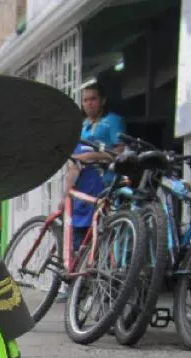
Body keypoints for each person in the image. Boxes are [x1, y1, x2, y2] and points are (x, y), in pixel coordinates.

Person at [66, 83, 126, 246]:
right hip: (82, 192)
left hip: (104, 188)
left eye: (93, 99)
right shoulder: (82, 127)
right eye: (85, 100)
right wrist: (66, 193)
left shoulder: (113, 121)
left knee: (102, 241)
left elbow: (120, 152)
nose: (89, 103)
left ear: (103, 100)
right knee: (78, 245)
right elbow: (75, 162)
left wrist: (93, 156)